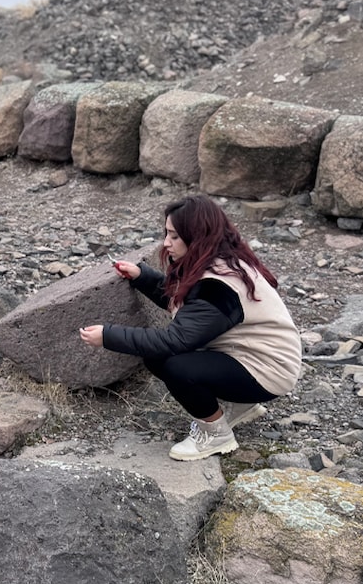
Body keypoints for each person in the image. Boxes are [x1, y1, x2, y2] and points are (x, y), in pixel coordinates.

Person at [79, 194, 301, 461]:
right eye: (166, 234)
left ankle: (216, 434)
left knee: (172, 364)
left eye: (174, 236)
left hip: (267, 370)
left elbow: (175, 340)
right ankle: (241, 405)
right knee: (167, 357)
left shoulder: (218, 286)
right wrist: (143, 277)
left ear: (196, 235)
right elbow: (188, 307)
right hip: (257, 357)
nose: (166, 243)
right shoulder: (217, 260)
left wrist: (108, 336)